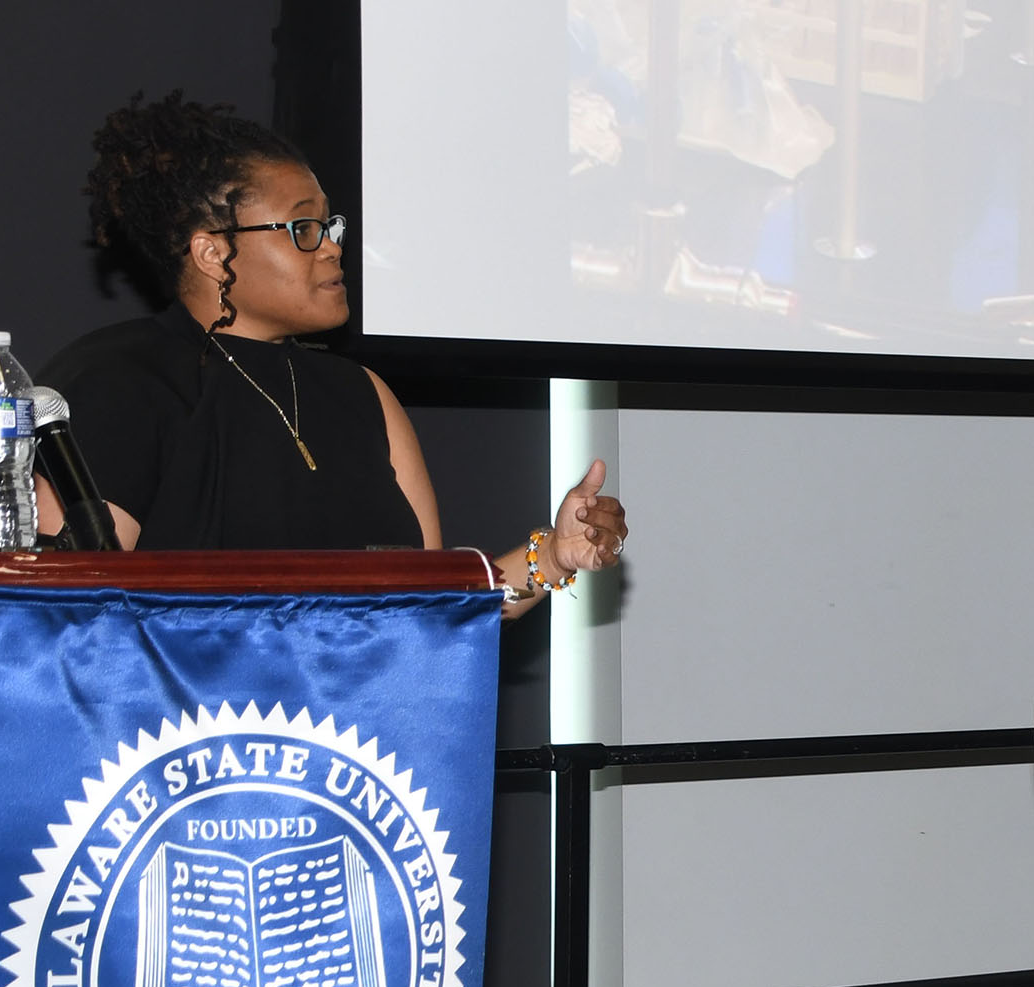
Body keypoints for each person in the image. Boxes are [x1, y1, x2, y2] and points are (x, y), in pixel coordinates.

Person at [36, 93, 623, 610]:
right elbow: (69, 610)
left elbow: (436, 610)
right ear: (212, 253)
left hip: (363, 734)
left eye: (330, 226)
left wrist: (553, 558)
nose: (332, 249)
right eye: (302, 230)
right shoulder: (120, 379)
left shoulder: (361, 394)